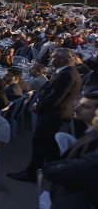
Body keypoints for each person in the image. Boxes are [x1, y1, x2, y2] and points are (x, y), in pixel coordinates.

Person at [8, 48, 83, 182]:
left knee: (40, 143)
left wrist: (39, 106)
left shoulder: (67, 75)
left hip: (53, 114)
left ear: (63, 60)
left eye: (53, 57)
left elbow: (56, 98)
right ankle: (51, 169)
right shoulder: (66, 72)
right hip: (54, 113)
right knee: (50, 144)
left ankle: (31, 173)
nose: (50, 59)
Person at [43, 79, 98, 208]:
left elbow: (78, 172)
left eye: (85, 106)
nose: (77, 107)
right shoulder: (89, 132)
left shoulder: (94, 142)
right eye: (80, 103)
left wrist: (55, 167)